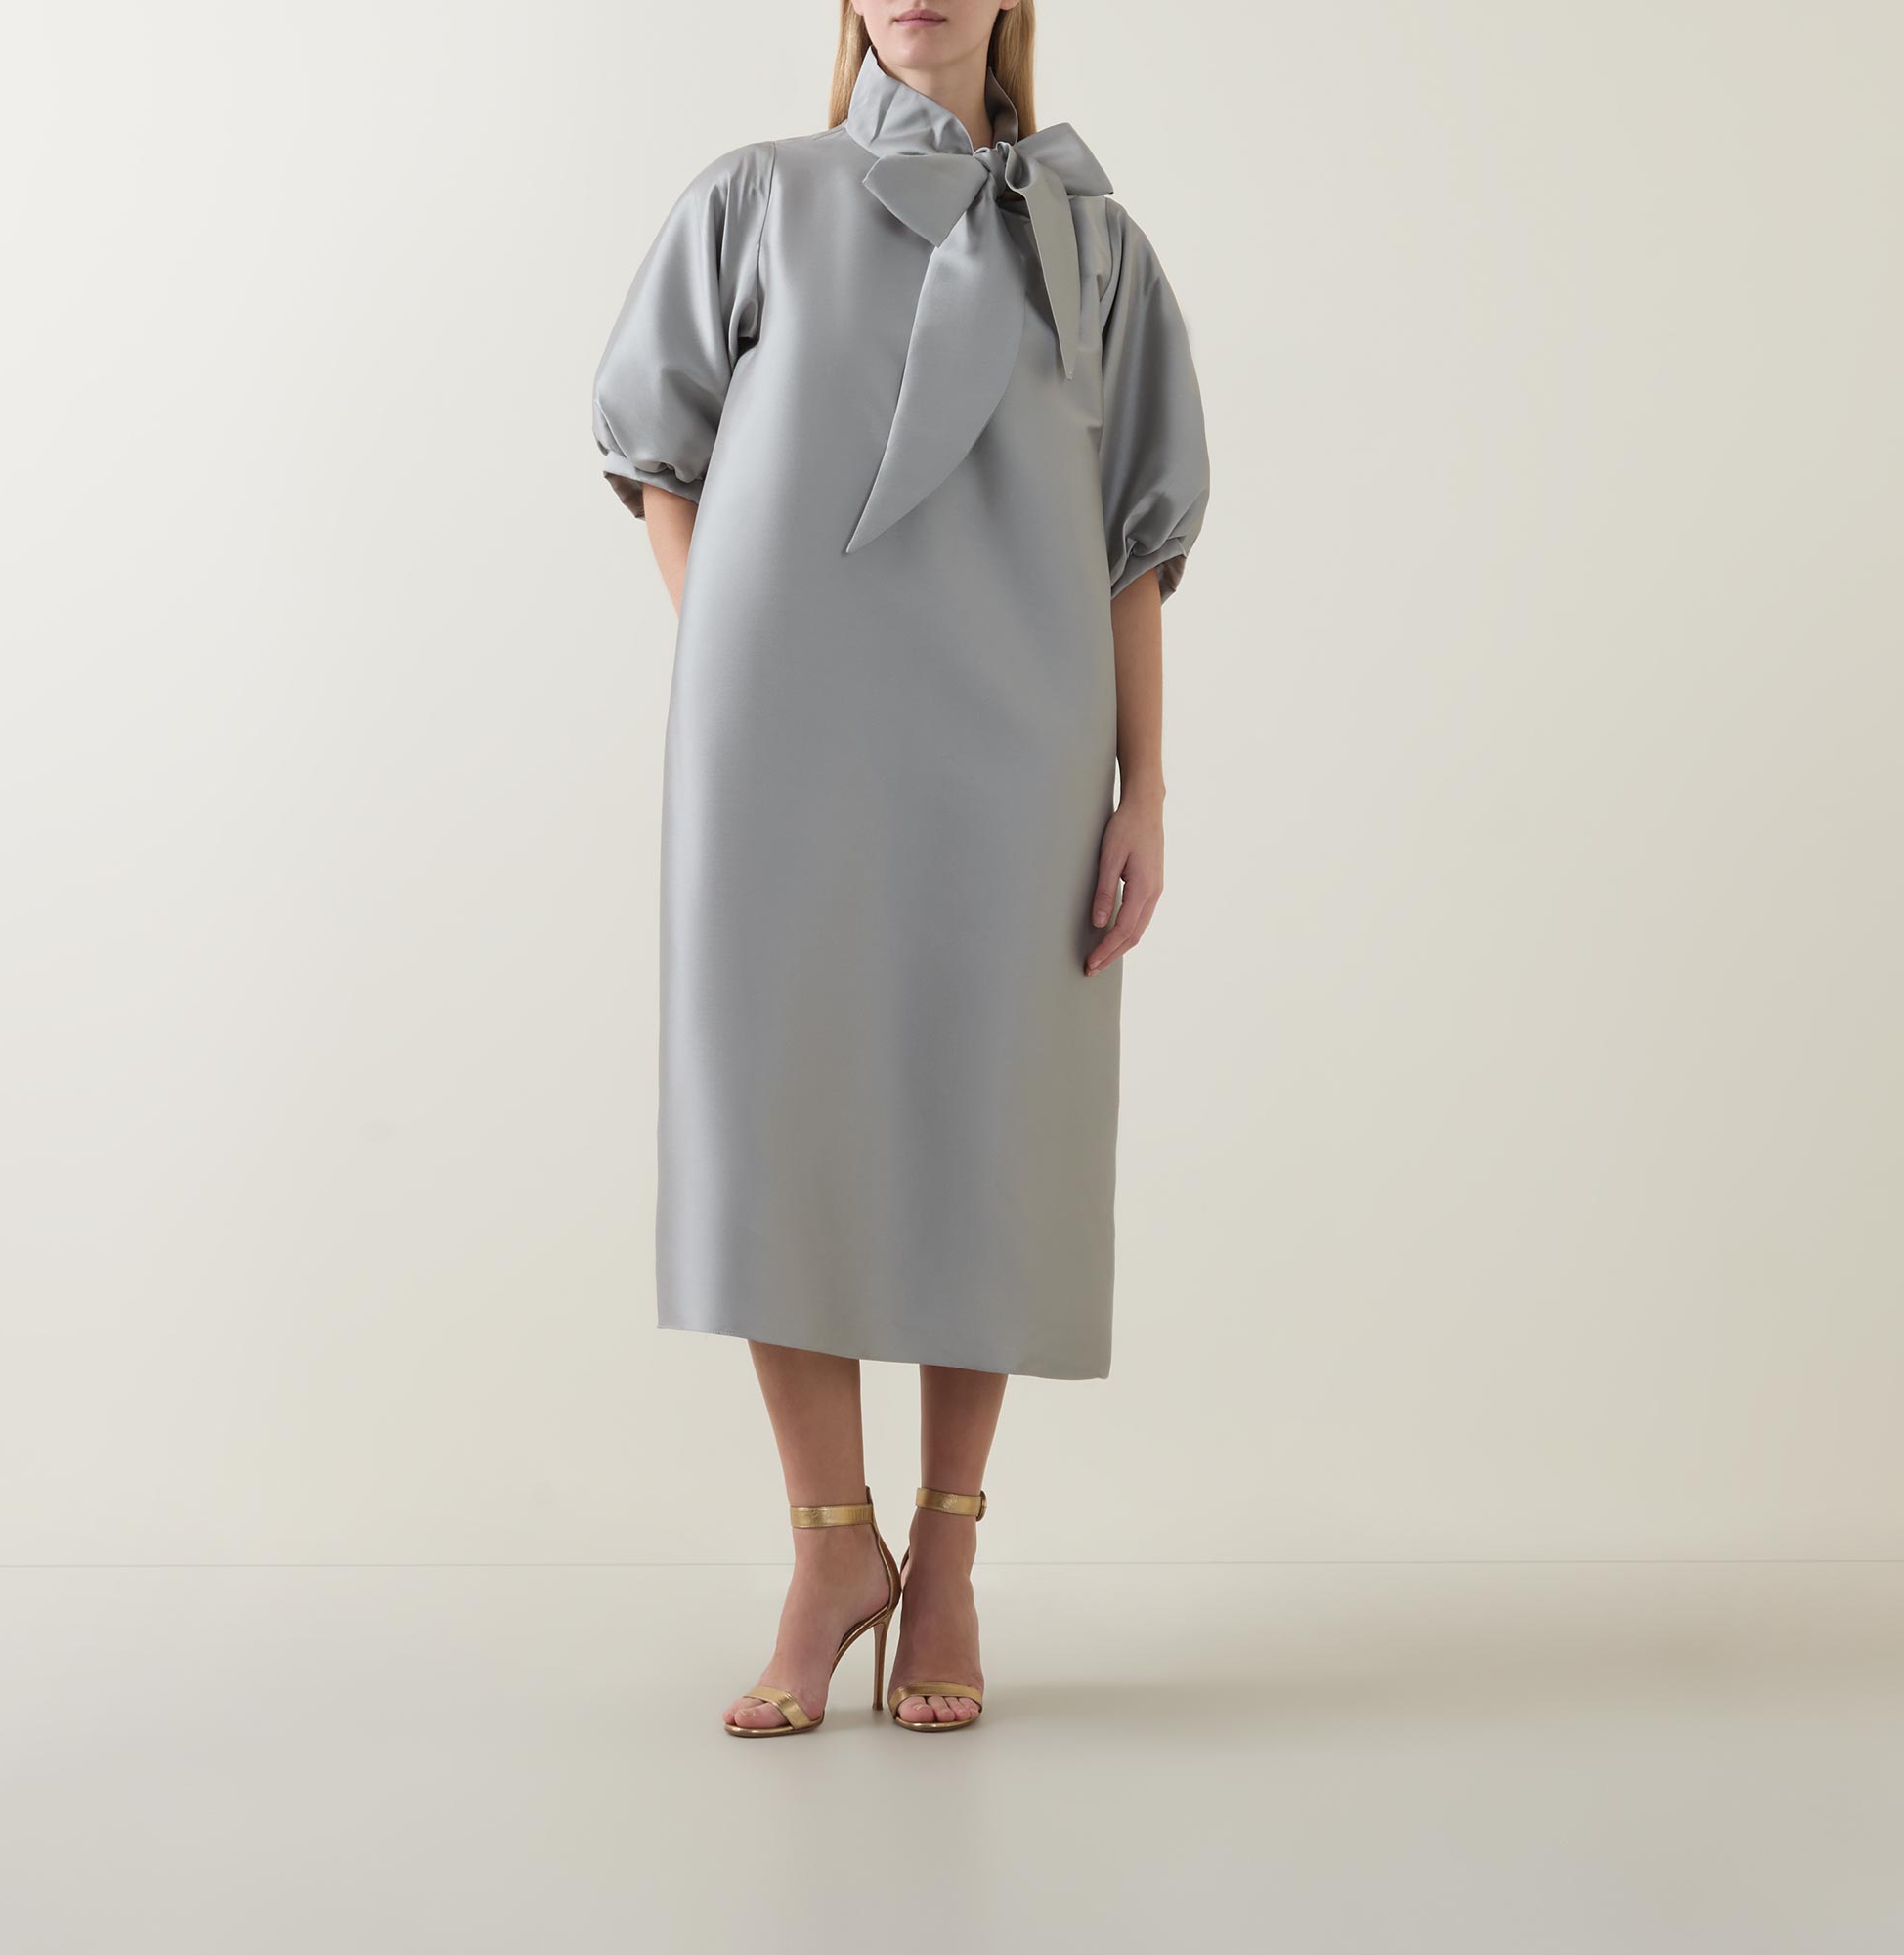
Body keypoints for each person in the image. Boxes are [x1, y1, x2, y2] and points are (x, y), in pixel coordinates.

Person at [590, 0, 1209, 1735]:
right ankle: (827, 1551)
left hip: (1020, 751)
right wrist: (736, 653)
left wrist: (1146, 789)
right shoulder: (755, 198)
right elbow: (654, 447)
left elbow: (1135, 546)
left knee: (985, 1127)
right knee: (774, 1115)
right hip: (783, 745)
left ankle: (945, 1561)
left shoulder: (1099, 246)